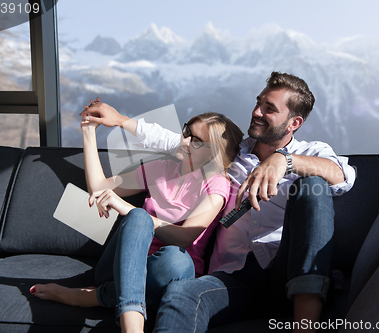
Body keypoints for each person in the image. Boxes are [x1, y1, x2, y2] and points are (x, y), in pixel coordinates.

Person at [78, 72, 356, 332]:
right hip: (234, 278)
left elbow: (344, 174)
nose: (257, 112)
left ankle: (304, 325)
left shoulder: (310, 152)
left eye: (269, 108)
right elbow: (177, 142)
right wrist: (121, 119)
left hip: (285, 269)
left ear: (294, 123)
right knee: (181, 293)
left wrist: (286, 161)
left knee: (313, 185)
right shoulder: (231, 154)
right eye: (258, 102)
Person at [30, 107, 244, 333]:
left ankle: (96, 296)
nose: (185, 141)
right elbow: (98, 187)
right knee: (139, 218)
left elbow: (185, 237)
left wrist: (126, 208)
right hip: (119, 267)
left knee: (176, 259)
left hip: (167, 277)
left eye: (197, 141)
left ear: (214, 153)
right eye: (187, 132)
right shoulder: (160, 168)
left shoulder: (217, 183)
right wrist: (88, 131)